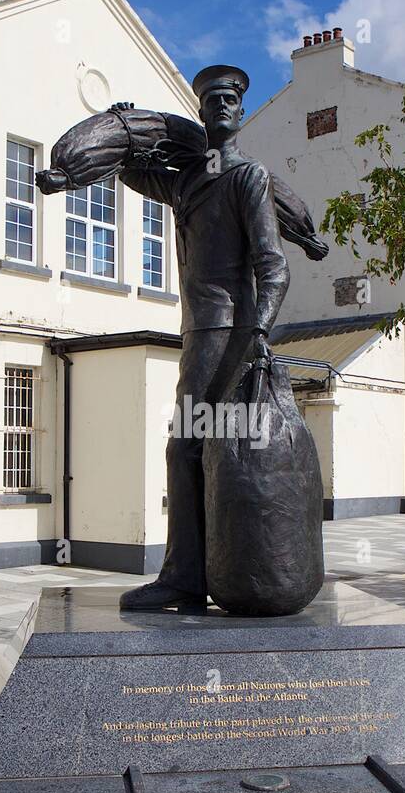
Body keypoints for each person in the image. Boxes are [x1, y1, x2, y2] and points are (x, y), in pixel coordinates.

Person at [114, 65, 290, 610]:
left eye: (228, 98)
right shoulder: (190, 180)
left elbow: (273, 264)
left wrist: (259, 327)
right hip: (197, 331)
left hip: (229, 333)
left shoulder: (248, 178)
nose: (218, 105)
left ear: (240, 111)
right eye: (209, 98)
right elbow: (133, 172)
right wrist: (128, 128)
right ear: (200, 111)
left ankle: (190, 576)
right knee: (205, 449)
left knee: (191, 445)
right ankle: (207, 571)